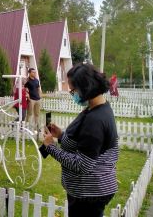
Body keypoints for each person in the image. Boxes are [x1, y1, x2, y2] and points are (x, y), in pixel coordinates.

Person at [41, 63, 118, 217]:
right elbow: (85, 145)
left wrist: (51, 147)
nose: (72, 94)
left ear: (85, 87)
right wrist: (62, 135)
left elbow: (82, 165)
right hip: (91, 190)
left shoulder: (95, 120)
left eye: (73, 90)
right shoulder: (99, 108)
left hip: (89, 194)